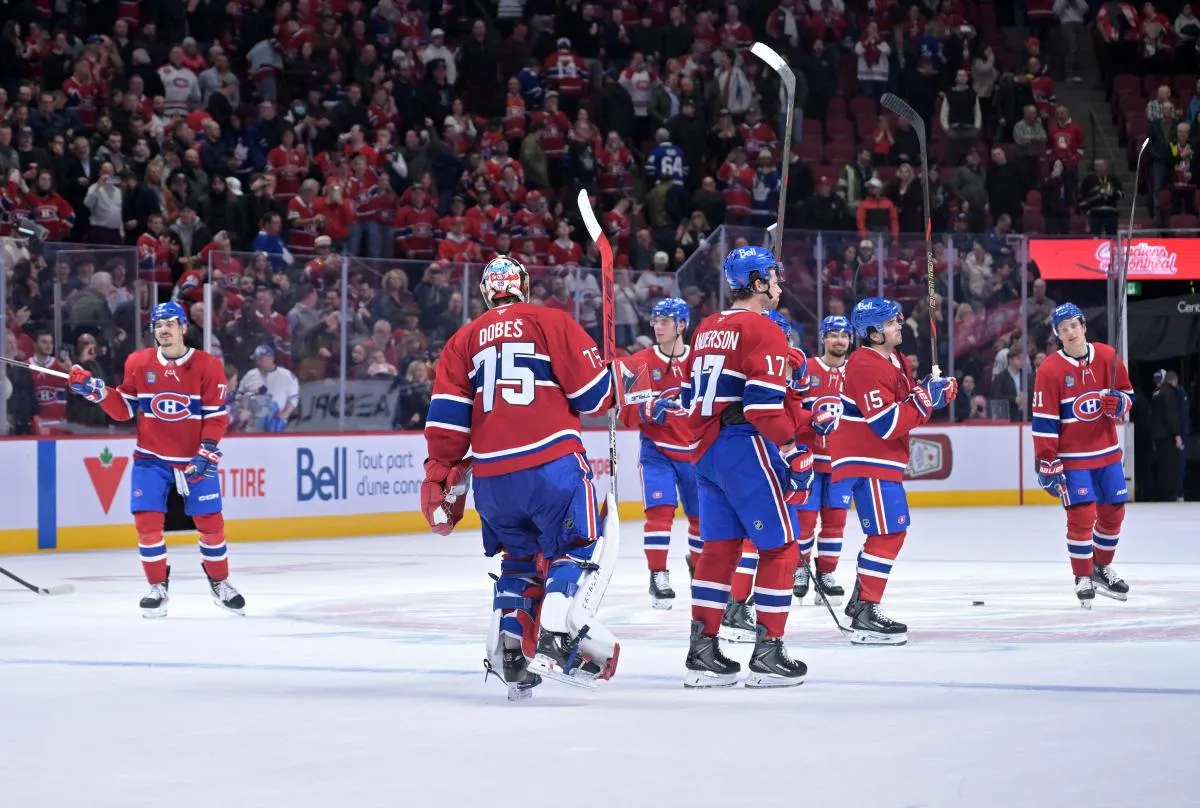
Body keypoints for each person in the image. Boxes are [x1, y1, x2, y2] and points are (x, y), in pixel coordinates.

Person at [420, 256, 619, 699]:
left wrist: (441, 475)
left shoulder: (462, 341)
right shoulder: (550, 320)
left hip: (493, 479)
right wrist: (611, 374)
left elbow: (447, 428)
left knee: (519, 562)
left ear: (488, 293)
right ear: (524, 286)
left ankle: (511, 653)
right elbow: (593, 396)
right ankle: (555, 633)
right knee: (577, 548)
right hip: (551, 464)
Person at [681, 245, 814, 689]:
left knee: (719, 550)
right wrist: (794, 450)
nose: (779, 285)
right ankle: (768, 652)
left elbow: (690, 392)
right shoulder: (764, 329)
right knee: (780, 547)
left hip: (706, 448)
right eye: (773, 278)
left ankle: (702, 650)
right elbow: (762, 406)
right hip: (742, 444)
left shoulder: (706, 327)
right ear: (758, 284)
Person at [66, 302, 244, 618]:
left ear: (184, 328)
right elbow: (123, 409)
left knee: (211, 525)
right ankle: (157, 588)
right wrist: (95, 392)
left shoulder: (207, 365)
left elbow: (216, 417)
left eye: (171, 323)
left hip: (195, 458)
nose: (164, 329)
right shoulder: (138, 362)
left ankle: (220, 582)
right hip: (151, 458)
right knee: (147, 525)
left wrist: (207, 450)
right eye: (158, 324)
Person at [832, 298, 957, 644]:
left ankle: (862, 603)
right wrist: (926, 400)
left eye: (897, 320)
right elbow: (886, 423)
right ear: (872, 333)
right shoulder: (864, 365)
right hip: (868, 459)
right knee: (889, 533)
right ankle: (866, 610)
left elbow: (907, 405)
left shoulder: (895, 359)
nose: (899, 325)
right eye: (890, 323)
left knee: (888, 532)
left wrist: (933, 393)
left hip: (881, 460)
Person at [717, 310, 825, 644]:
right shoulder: (757, 361)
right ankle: (736, 610)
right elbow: (768, 413)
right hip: (756, 454)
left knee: (765, 538)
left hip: (766, 455)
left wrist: (804, 400)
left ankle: (736, 608)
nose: (787, 344)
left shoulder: (776, 361)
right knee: (757, 540)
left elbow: (788, 413)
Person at [1031, 303, 1134, 607]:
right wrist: (1047, 459)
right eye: (1063, 329)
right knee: (1082, 514)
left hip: (1107, 453)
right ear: (1057, 335)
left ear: (1084, 326)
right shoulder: (1050, 369)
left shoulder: (1107, 356)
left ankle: (1100, 567)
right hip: (1073, 458)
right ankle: (1082, 576)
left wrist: (1120, 402)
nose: (1070, 332)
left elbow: (1128, 393)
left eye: (1074, 325)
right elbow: (1044, 421)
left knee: (1114, 511)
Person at [617, 297, 699, 609]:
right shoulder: (639, 362)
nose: (657, 326)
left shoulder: (700, 361)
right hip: (658, 452)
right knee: (660, 512)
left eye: (665, 320)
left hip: (694, 451)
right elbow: (626, 414)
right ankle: (658, 574)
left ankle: (700, 566)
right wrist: (650, 408)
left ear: (682, 325)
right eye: (655, 320)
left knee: (701, 518)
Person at [793, 315, 853, 605]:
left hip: (842, 462)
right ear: (823, 338)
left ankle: (826, 574)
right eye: (833, 335)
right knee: (804, 522)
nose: (839, 340)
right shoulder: (807, 369)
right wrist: (811, 419)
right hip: (809, 460)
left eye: (844, 335)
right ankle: (801, 569)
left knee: (835, 523)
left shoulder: (856, 373)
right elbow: (790, 408)